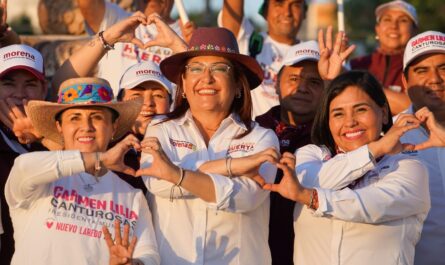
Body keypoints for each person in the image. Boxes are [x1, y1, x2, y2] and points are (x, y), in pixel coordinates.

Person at [136, 19, 280, 264]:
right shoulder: (160, 129)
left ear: (237, 86)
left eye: (219, 68)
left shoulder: (262, 137)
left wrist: (176, 173)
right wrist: (228, 167)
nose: (207, 78)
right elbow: (158, 184)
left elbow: (245, 198)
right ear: (182, 84)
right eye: (196, 68)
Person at [259, 70, 430, 264]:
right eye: (338, 114)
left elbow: (367, 206)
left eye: (361, 109)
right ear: (327, 121)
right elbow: (312, 181)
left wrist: (309, 197)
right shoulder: (311, 154)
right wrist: (376, 148)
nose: (350, 122)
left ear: (383, 113)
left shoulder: (408, 167)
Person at [5, 77, 160, 265]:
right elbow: (23, 166)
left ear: (114, 127)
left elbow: (149, 255)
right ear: (59, 127)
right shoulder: (38, 178)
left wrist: (132, 264)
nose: (86, 127)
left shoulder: (132, 196)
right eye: (74, 118)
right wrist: (101, 159)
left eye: (97, 117)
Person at [255, 40, 323, 265]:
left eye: (315, 81)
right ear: (276, 83)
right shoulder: (250, 129)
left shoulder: (334, 138)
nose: (302, 88)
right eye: (294, 79)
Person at [76, 0, 195, 94]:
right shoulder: (117, 19)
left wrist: (193, 50)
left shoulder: (190, 37)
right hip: (116, 117)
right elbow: (87, 3)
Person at [399, 30, 445, 265]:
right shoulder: (388, 137)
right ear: (405, 81)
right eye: (422, 70)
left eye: (443, 68)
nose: (436, 79)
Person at [0, 44, 48, 262]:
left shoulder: (60, 138)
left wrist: (41, 138)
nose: (19, 94)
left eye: (30, 85)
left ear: (44, 90)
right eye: (8, 84)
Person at [219, 0, 308, 117]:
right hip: (251, 134)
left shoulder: (313, 56)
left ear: (304, 12)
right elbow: (232, 12)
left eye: (295, 5)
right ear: (265, 11)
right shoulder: (247, 41)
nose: (287, 12)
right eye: (279, 4)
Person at [351, 0, 417, 115]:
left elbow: (416, 108)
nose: (394, 26)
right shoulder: (356, 64)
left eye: (403, 20)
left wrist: (358, 86)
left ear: (414, 31)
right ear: (377, 28)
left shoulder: (420, 65)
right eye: (387, 19)